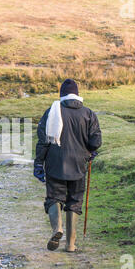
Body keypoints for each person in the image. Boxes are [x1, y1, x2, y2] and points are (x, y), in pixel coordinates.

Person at [34, 79, 102, 252]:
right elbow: (96, 141)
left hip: (54, 163)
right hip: (79, 164)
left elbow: (43, 141)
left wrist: (38, 164)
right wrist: (90, 151)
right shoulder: (89, 114)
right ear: (77, 94)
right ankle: (71, 245)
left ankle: (57, 229)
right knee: (75, 201)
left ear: (61, 95)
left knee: (53, 198)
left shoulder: (52, 112)